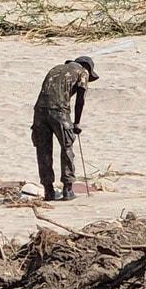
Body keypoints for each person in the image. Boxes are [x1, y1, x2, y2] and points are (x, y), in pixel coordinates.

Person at [31, 56, 98, 202]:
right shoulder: (82, 71)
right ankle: (67, 190)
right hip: (59, 111)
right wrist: (77, 123)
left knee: (43, 150)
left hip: (39, 112)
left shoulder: (55, 68)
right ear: (87, 67)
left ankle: (48, 191)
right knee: (67, 147)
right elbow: (80, 99)